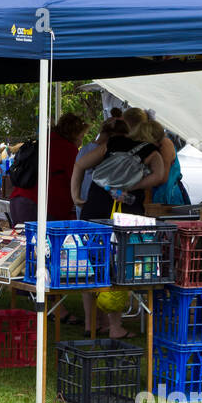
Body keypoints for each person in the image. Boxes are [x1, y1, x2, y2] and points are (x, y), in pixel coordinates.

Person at [69, 117, 167, 338]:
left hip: (94, 208)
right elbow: (160, 176)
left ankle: (91, 323)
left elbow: (80, 165)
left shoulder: (111, 145)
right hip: (126, 211)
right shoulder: (152, 151)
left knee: (93, 265)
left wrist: (75, 195)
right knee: (120, 266)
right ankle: (114, 326)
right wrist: (134, 185)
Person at [9, 112, 88, 224]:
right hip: (40, 207)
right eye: (82, 136)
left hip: (18, 201)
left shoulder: (44, 141)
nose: (81, 141)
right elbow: (77, 179)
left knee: (25, 239)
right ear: (75, 134)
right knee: (45, 241)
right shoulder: (68, 149)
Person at [138, 119, 188, 206]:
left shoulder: (165, 144)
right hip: (157, 194)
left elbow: (163, 178)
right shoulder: (153, 146)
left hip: (166, 195)